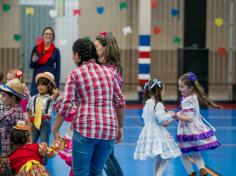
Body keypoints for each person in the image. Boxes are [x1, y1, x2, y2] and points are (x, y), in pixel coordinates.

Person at [53, 38, 125, 176]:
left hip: (86, 129)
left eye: (73, 54)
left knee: (80, 172)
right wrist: (120, 127)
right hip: (109, 130)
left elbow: (66, 104)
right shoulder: (109, 73)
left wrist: (55, 129)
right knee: (96, 171)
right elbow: (120, 102)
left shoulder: (75, 74)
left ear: (77, 55)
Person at [174, 72, 221, 176]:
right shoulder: (194, 96)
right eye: (179, 86)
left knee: (181, 152)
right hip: (196, 128)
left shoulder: (187, 100)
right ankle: (202, 169)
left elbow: (189, 118)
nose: (179, 89)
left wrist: (176, 116)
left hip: (188, 131)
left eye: (182, 87)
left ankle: (191, 173)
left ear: (190, 88)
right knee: (195, 151)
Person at [134, 79, 181, 176]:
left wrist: (167, 117)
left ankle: (155, 174)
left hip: (148, 130)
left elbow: (146, 117)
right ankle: (158, 174)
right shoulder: (158, 104)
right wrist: (171, 115)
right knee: (168, 155)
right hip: (158, 132)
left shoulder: (147, 103)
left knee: (158, 156)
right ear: (160, 91)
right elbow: (161, 119)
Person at [94, 32, 124, 176]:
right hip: (106, 118)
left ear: (104, 48)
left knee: (103, 157)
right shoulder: (110, 67)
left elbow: (118, 100)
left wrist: (120, 125)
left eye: (97, 46)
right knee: (108, 155)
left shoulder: (109, 70)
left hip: (105, 118)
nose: (94, 49)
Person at [0, 120, 65, 175]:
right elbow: (51, 152)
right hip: (38, 171)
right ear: (27, 138)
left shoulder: (10, 157)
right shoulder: (36, 147)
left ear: (12, 140)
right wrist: (60, 141)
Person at [27, 72, 60, 145]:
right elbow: (29, 110)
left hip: (45, 122)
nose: (40, 86)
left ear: (49, 86)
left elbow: (57, 93)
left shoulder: (50, 99)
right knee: (31, 141)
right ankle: (32, 155)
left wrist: (53, 88)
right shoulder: (33, 98)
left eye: (43, 84)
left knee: (44, 143)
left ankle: (44, 156)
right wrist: (29, 123)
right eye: (38, 84)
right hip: (34, 122)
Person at [29, 26, 61, 96]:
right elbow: (31, 65)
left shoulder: (56, 51)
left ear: (52, 37)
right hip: (37, 80)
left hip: (49, 81)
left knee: (48, 102)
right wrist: (35, 59)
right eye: (46, 34)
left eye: (50, 34)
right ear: (43, 36)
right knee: (35, 100)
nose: (48, 35)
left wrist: (56, 86)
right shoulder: (36, 48)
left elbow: (58, 69)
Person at [0, 79, 26, 156]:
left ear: (13, 98)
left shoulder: (13, 112)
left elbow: (2, 117)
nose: (1, 98)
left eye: (4, 96)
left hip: (10, 152)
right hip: (12, 151)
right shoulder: (17, 109)